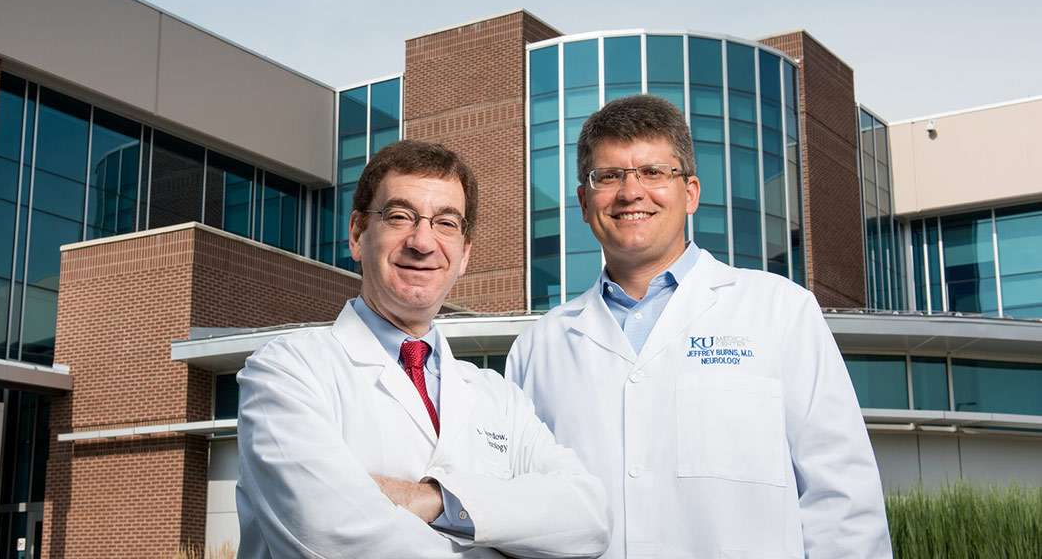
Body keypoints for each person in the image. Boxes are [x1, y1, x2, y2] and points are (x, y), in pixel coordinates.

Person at [506, 95, 892, 559]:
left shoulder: (780, 311)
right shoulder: (539, 346)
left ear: (690, 192)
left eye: (653, 172)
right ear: (585, 201)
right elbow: (519, 510)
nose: (631, 192)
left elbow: (844, 502)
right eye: (609, 176)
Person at [236, 140, 611, 559]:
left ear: (465, 253)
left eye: (446, 224)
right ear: (358, 234)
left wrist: (435, 500)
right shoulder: (286, 371)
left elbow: (588, 521)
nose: (422, 241)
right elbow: (330, 534)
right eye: (399, 217)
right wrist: (502, 526)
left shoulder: (496, 395)